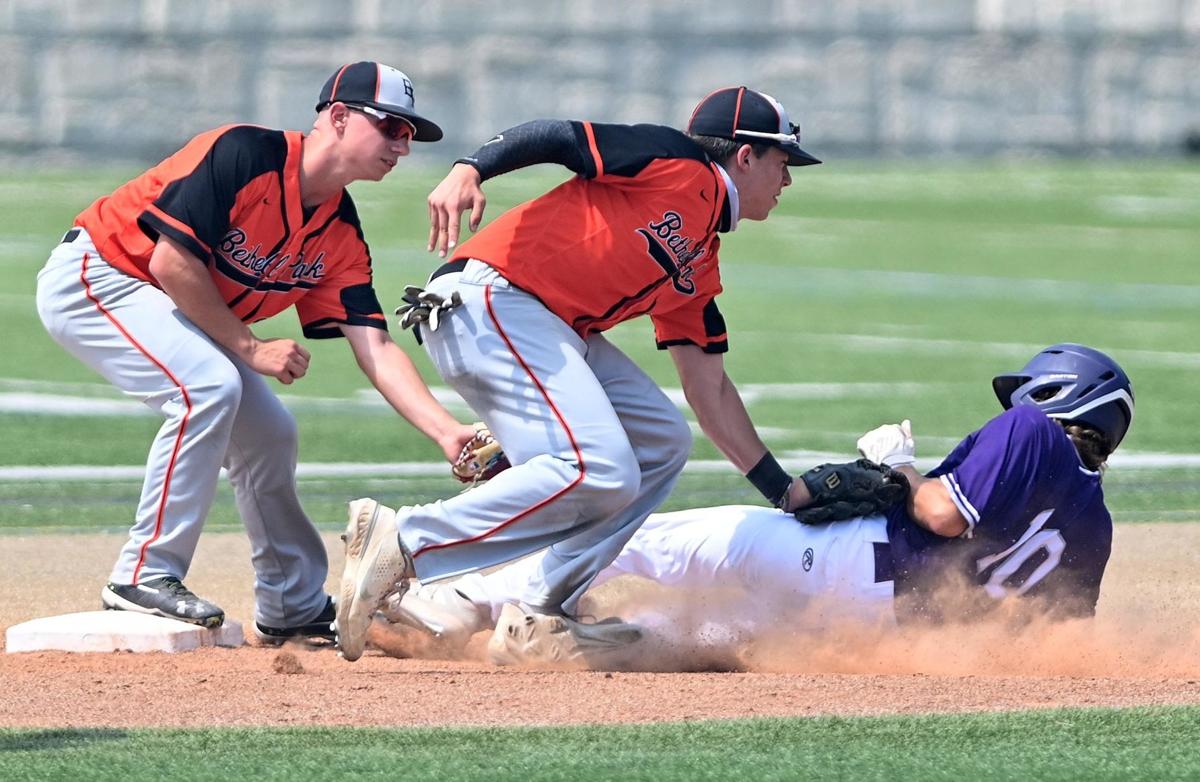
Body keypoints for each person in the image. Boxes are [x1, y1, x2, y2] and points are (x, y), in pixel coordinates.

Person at [332, 86, 826, 663]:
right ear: (745, 155)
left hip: (541, 323)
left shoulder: (699, 257)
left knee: (660, 442)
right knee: (596, 466)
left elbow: (709, 387)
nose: (787, 179)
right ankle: (405, 538)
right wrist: (471, 168)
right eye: (782, 161)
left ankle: (540, 612)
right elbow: (558, 136)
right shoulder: (676, 161)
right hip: (490, 298)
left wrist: (783, 491)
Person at [35, 62, 478, 642]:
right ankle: (142, 574)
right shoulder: (245, 153)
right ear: (339, 117)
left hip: (168, 304)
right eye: (392, 126)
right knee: (207, 387)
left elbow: (372, 343)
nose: (403, 145)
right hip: (102, 274)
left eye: (409, 136)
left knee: (270, 434)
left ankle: (290, 604)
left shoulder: (338, 229)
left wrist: (446, 432)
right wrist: (249, 346)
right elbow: (170, 262)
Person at [386, 343, 1134, 662]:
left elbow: (940, 513)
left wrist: (897, 469)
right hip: (886, 626)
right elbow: (1042, 634)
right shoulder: (1094, 525)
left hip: (854, 560)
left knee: (641, 535)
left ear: (1061, 395)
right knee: (704, 634)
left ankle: (456, 604)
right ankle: (569, 648)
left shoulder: (1033, 430)